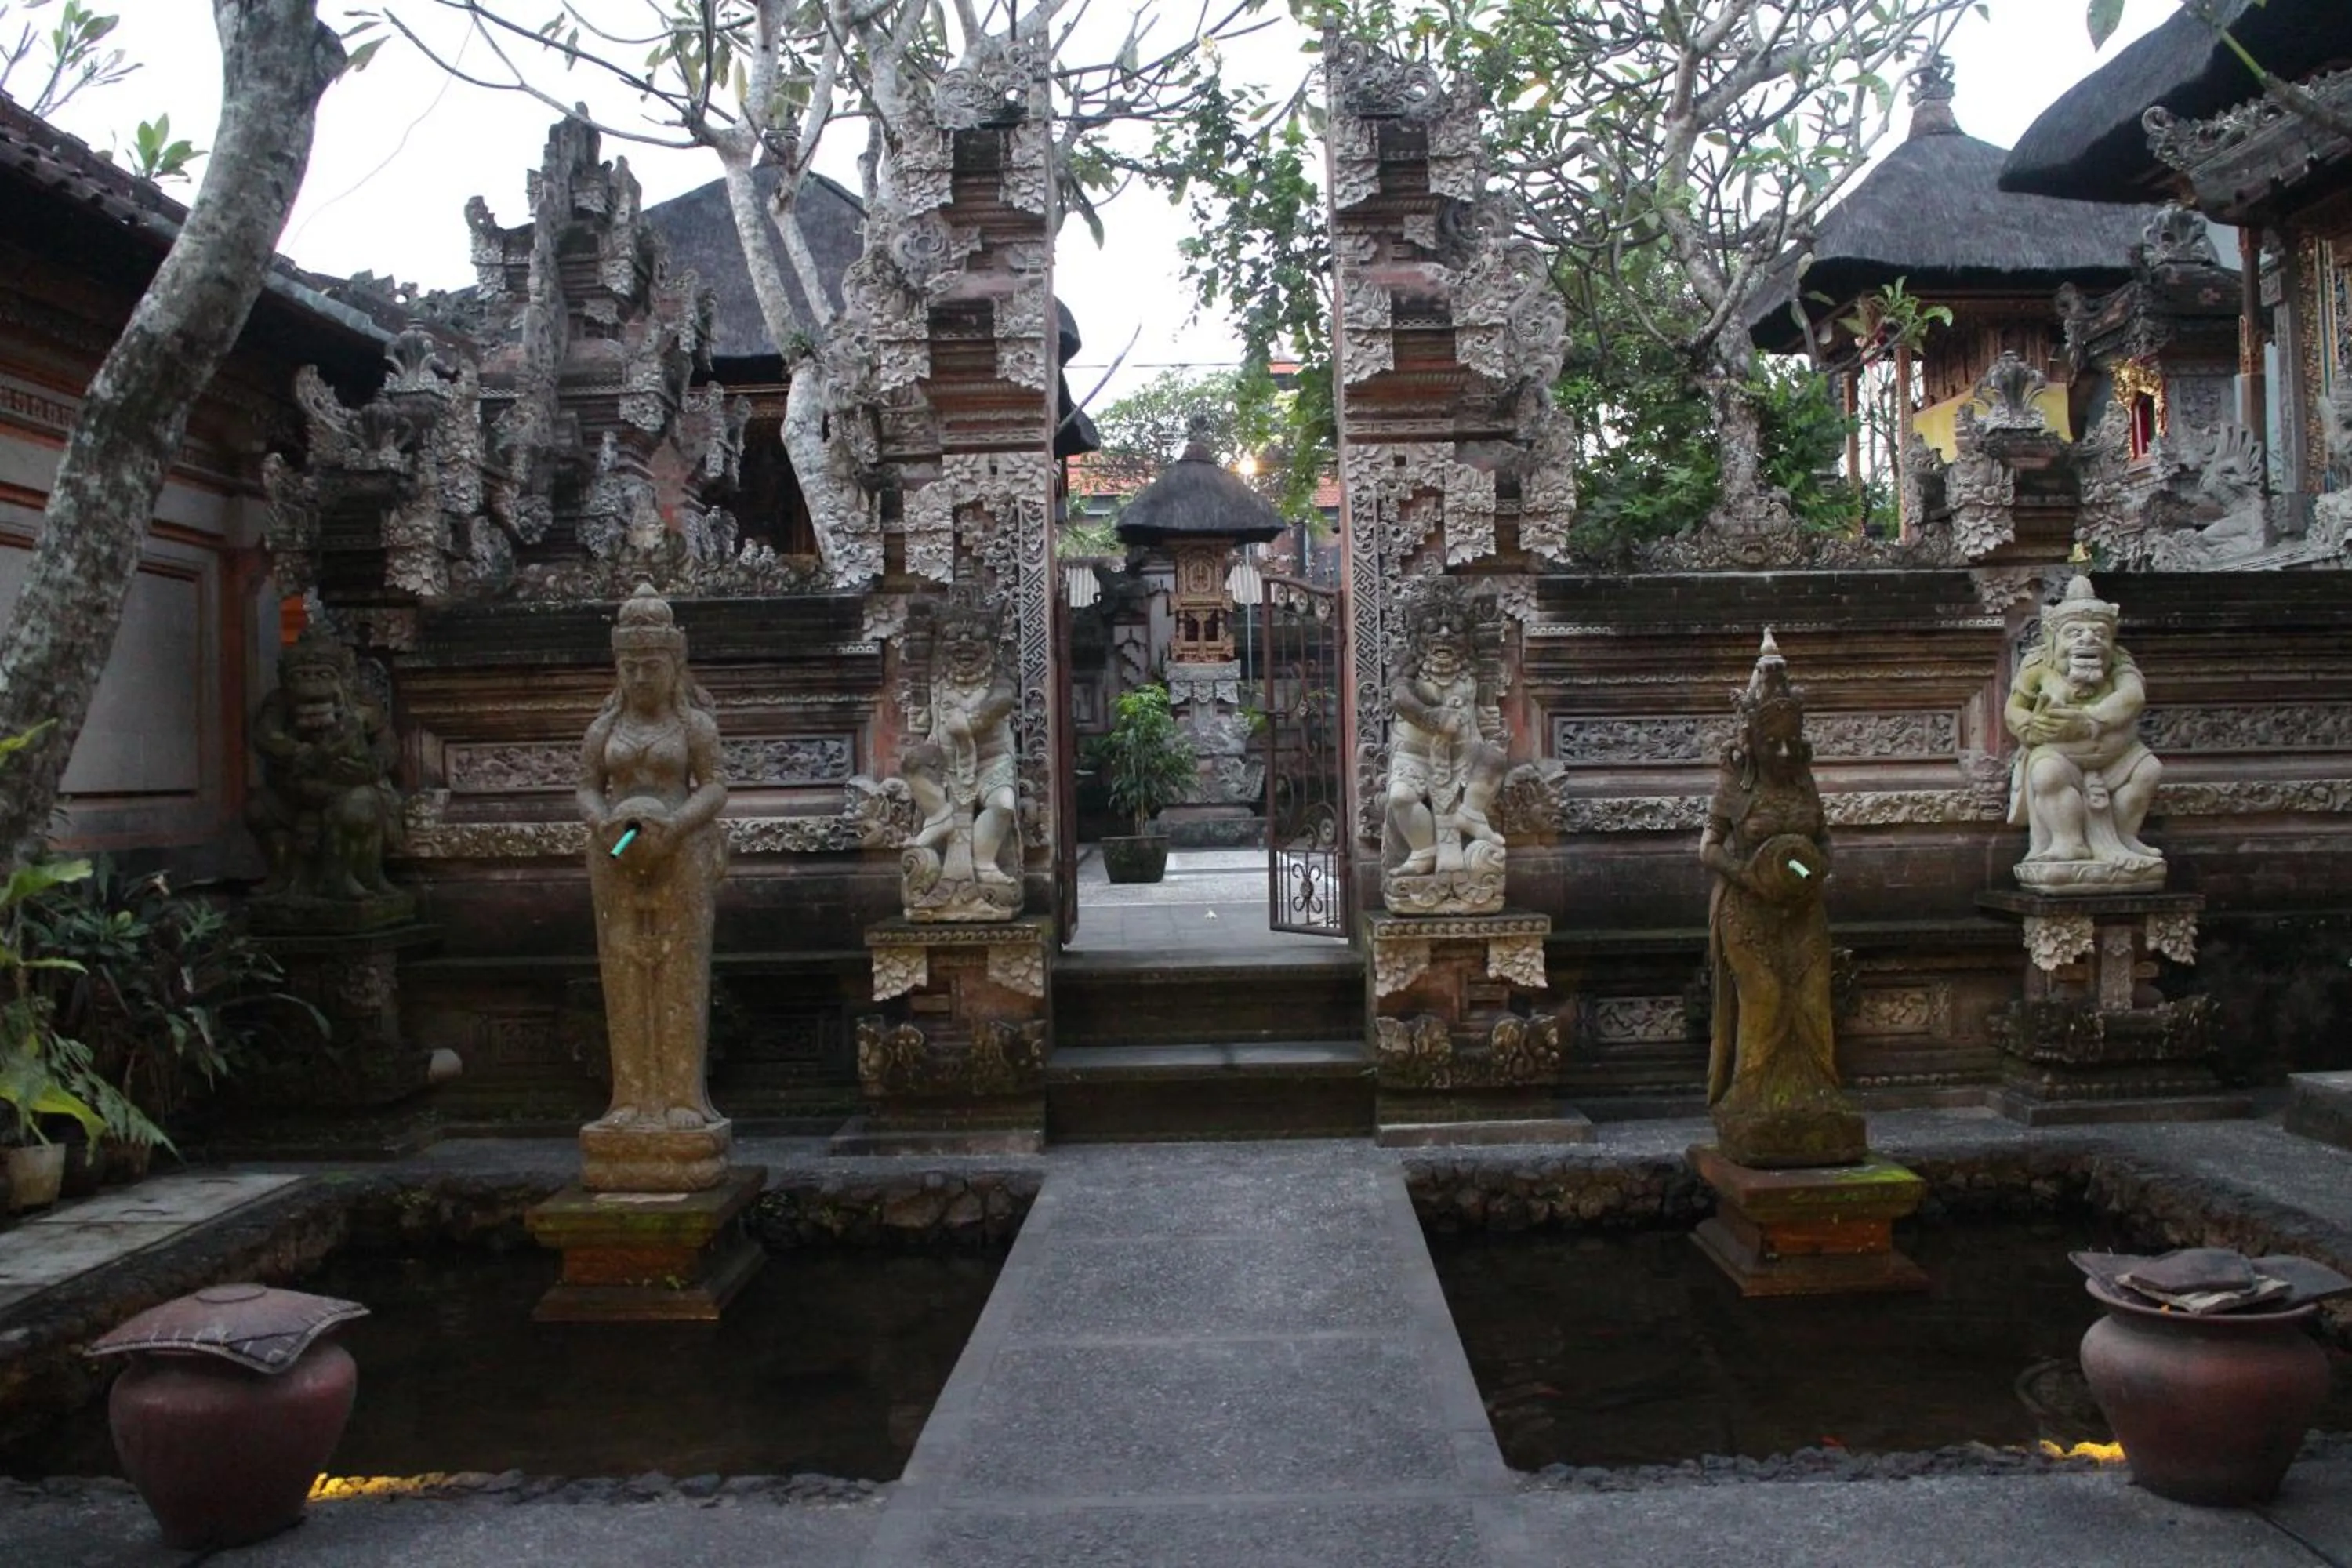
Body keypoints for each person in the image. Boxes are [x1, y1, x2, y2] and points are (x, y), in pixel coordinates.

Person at [1700, 631, 1862, 1168]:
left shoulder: (1802, 783)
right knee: (1766, 997)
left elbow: (1821, 843)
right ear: (1752, 743)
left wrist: (1814, 869)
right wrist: (1748, 875)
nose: (1786, 752)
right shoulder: (1736, 785)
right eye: (1774, 744)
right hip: (1746, 910)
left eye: (1793, 742)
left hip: (1802, 908)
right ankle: (1751, 1101)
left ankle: (1815, 1099)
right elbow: (1708, 848)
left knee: (1813, 998)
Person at [575, 584, 728, 1139]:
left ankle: (682, 1097)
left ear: (675, 666)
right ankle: (632, 1098)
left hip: (679, 843)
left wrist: (678, 824)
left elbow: (714, 787)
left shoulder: (693, 727)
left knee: (678, 968)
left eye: (652, 666)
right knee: (624, 970)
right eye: (631, 667)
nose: (641, 678)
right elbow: (588, 789)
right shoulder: (606, 729)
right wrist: (605, 824)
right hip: (618, 846)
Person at [2005, 575, 2164, 891]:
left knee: (2149, 770)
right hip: (2060, 753)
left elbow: (2132, 698)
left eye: (2099, 634)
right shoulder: (2038, 664)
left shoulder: (2119, 662)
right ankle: (2068, 843)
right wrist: (2028, 727)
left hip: (2116, 751)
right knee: (2047, 775)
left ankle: (2125, 836)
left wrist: (2090, 721)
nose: (2088, 640)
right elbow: (2014, 707)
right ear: (2053, 637)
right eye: (2074, 633)